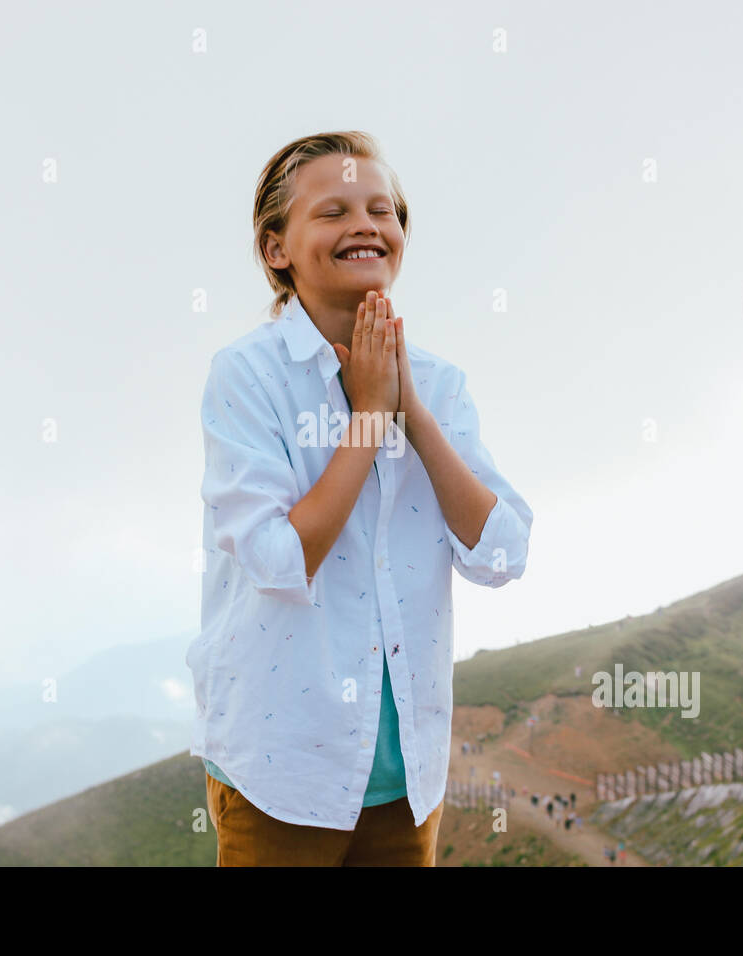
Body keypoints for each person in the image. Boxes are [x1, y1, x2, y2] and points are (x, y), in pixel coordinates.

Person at [190, 132, 534, 867]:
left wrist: (410, 409)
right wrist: (368, 419)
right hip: (282, 774)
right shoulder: (246, 377)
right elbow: (280, 561)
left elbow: (504, 553)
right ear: (276, 248)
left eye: (383, 209)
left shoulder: (439, 384)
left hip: (406, 777)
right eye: (334, 210)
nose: (366, 225)